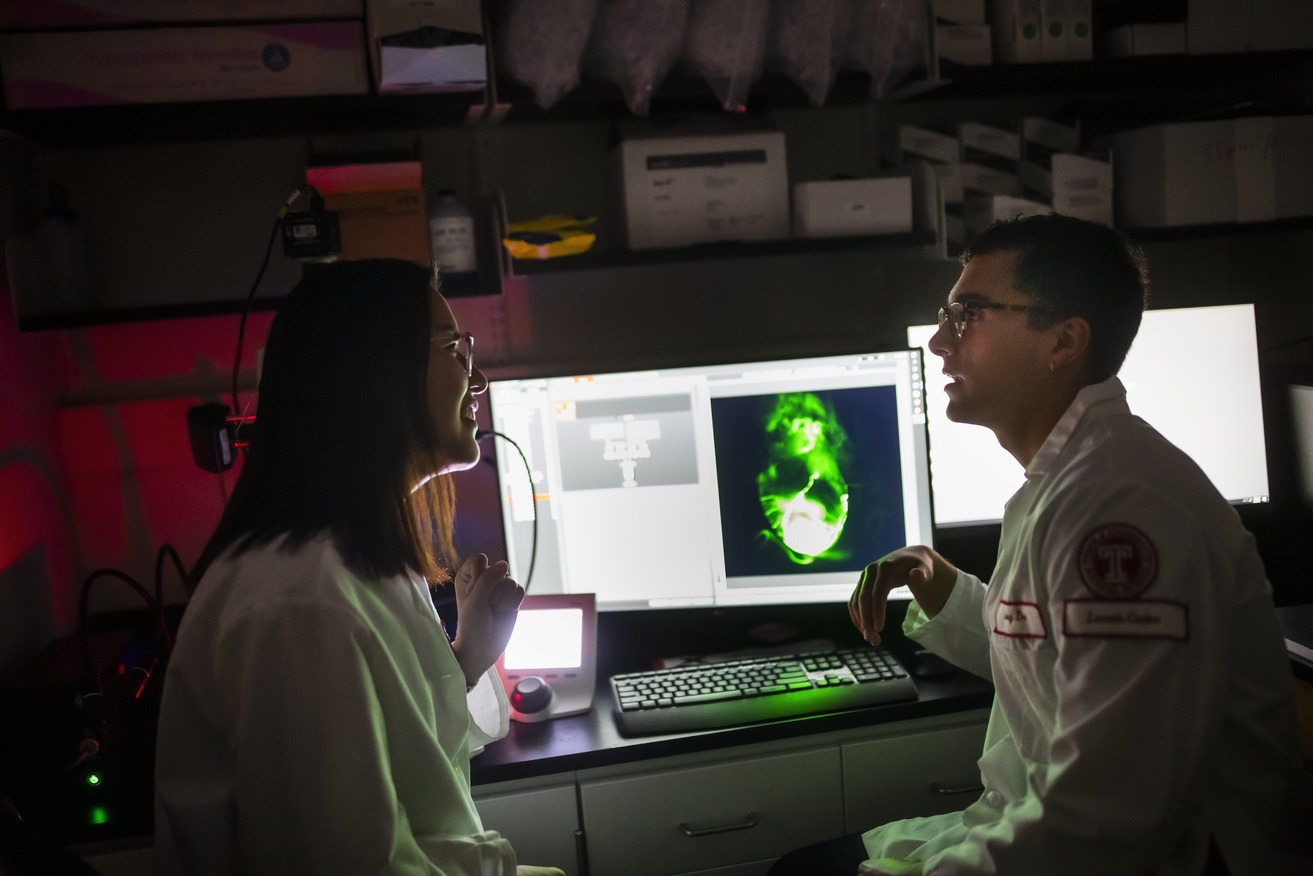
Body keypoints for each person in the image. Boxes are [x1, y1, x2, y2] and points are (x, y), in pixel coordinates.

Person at [771, 214, 1313, 875]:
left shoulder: (1121, 509)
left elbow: (1107, 819)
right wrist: (939, 581)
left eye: (966, 314)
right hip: (1046, 828)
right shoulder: (1071, 478)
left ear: (1062, 341)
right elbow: (1049, 661)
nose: (939, 342)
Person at [155, 259, 564, 876]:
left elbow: (405, 762)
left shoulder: (357, 554)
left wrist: (467, 656)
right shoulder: (299, 602)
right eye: (454, 348)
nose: (477, 378)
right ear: (376, 374)